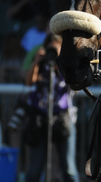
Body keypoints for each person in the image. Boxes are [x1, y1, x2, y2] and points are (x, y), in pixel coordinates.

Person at [23, 34, 79, 182]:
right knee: (34, 170)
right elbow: (29, 82)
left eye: (57, 49)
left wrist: (65, 63)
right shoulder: (41, 65)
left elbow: (77, 87)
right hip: (39, 118)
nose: (53, 53)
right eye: (51, 49)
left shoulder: (66, 66)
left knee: (69, 169)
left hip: (63, 118)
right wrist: (37, 61)